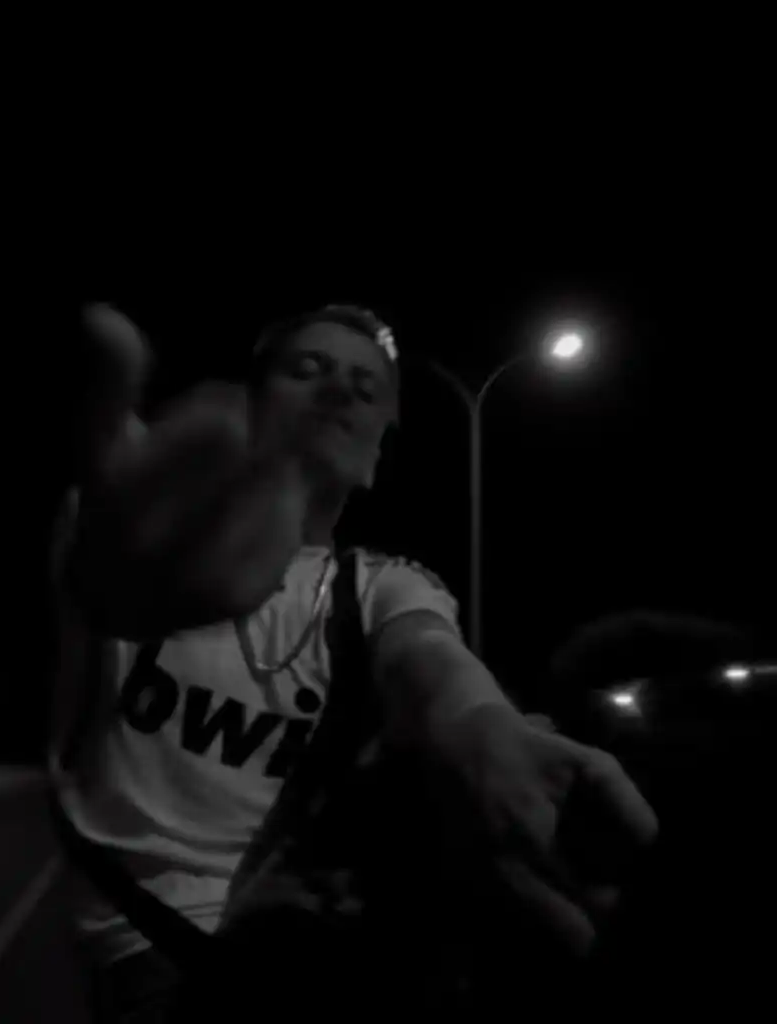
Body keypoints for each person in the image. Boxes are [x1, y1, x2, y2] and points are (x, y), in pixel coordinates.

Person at [50, 303, 659, 1022]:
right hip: (148, 947)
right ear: (253, 402)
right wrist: (93, 552)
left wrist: (479, 723)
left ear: (376, 455)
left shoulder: (380, 583)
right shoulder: (150, 518)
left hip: (307, 936)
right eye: (307, 369)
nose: (339, 389)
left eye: (366, 388)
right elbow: (92, 554)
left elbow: (427, 655)